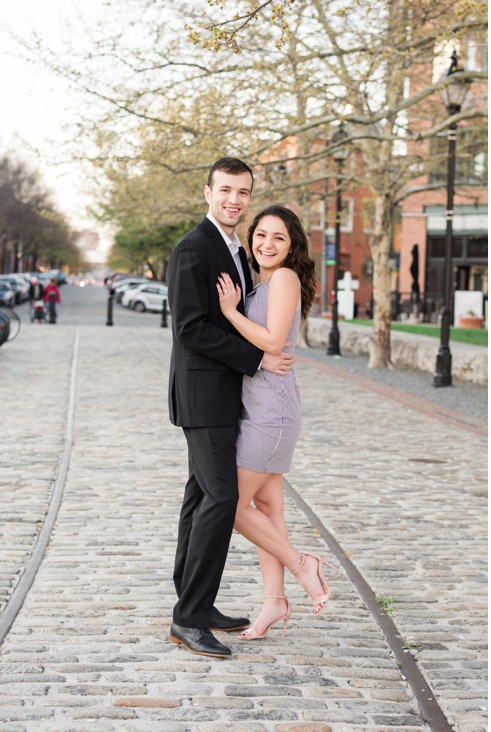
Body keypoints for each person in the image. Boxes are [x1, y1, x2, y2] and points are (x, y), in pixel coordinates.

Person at [167, 157, 295, 659]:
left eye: (242, 192)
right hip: (203, 397)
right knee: (222, 499)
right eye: (225, 190)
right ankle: (189, 619)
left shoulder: (237, 251)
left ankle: (194, 600)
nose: (234, 200)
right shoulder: (192, 249)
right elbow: (190, 329)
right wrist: (257, 358)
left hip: (227, 398)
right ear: (208, 192)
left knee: (200, 499)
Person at [215, 204, 334, 640]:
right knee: (266, 510)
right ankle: (274, 604)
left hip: (272, 412)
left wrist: (229, 312)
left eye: (278, 238)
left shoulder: (284, 279)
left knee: (229, 505)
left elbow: (272, 339)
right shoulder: (259, 282)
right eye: (261, 235)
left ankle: (305, 565)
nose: (267, 244)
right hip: (259, 406)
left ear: (292, 245)